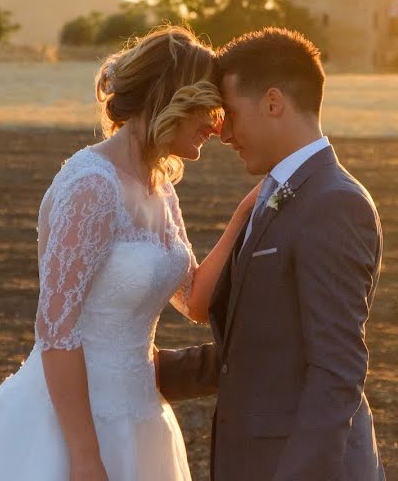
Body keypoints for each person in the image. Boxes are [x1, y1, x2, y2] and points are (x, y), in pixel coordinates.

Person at [0, 26, 259, 480]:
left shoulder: (160, 189)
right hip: (70, 428)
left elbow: (192, 299)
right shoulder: (92, 185)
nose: (216, 126)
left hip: (143, 420)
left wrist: (247, 211)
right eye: (209, 109)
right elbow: (56, 332)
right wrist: (84, 456)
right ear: (173, 99)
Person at [156, 27, 385, 480]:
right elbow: (263, 348)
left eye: (232, 114)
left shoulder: (334, 203)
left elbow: (336, 371)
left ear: (274, 103)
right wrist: (140, 370)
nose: (224, 134)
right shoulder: (274, 194)